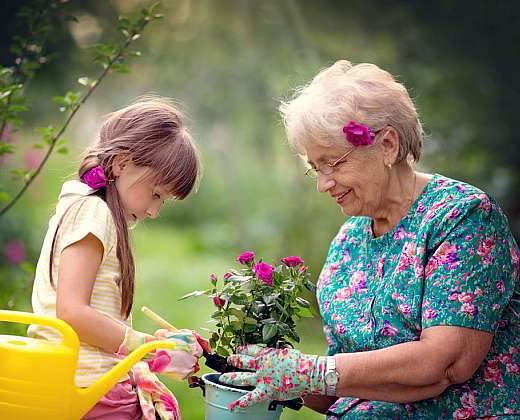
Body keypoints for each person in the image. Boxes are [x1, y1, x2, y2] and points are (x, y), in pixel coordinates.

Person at [220, 61, 520, 418]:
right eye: (316, 168)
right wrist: (260, 369)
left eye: (333, 163)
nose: (323, 184)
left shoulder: (462, 217)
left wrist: (312, 370)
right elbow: (337, 385)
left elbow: (447, 363)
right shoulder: (347, 242)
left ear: (388, 145)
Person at [28, 97, 207, 420]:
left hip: (83, 377)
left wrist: (153, 345)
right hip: (85, 384)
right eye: (155, 194)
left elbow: (92, 312)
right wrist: (146, 351)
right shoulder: (93, 211)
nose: (154, 211)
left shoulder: (91, 209)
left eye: (162, 202)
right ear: (122, 164)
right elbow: (71, 312)